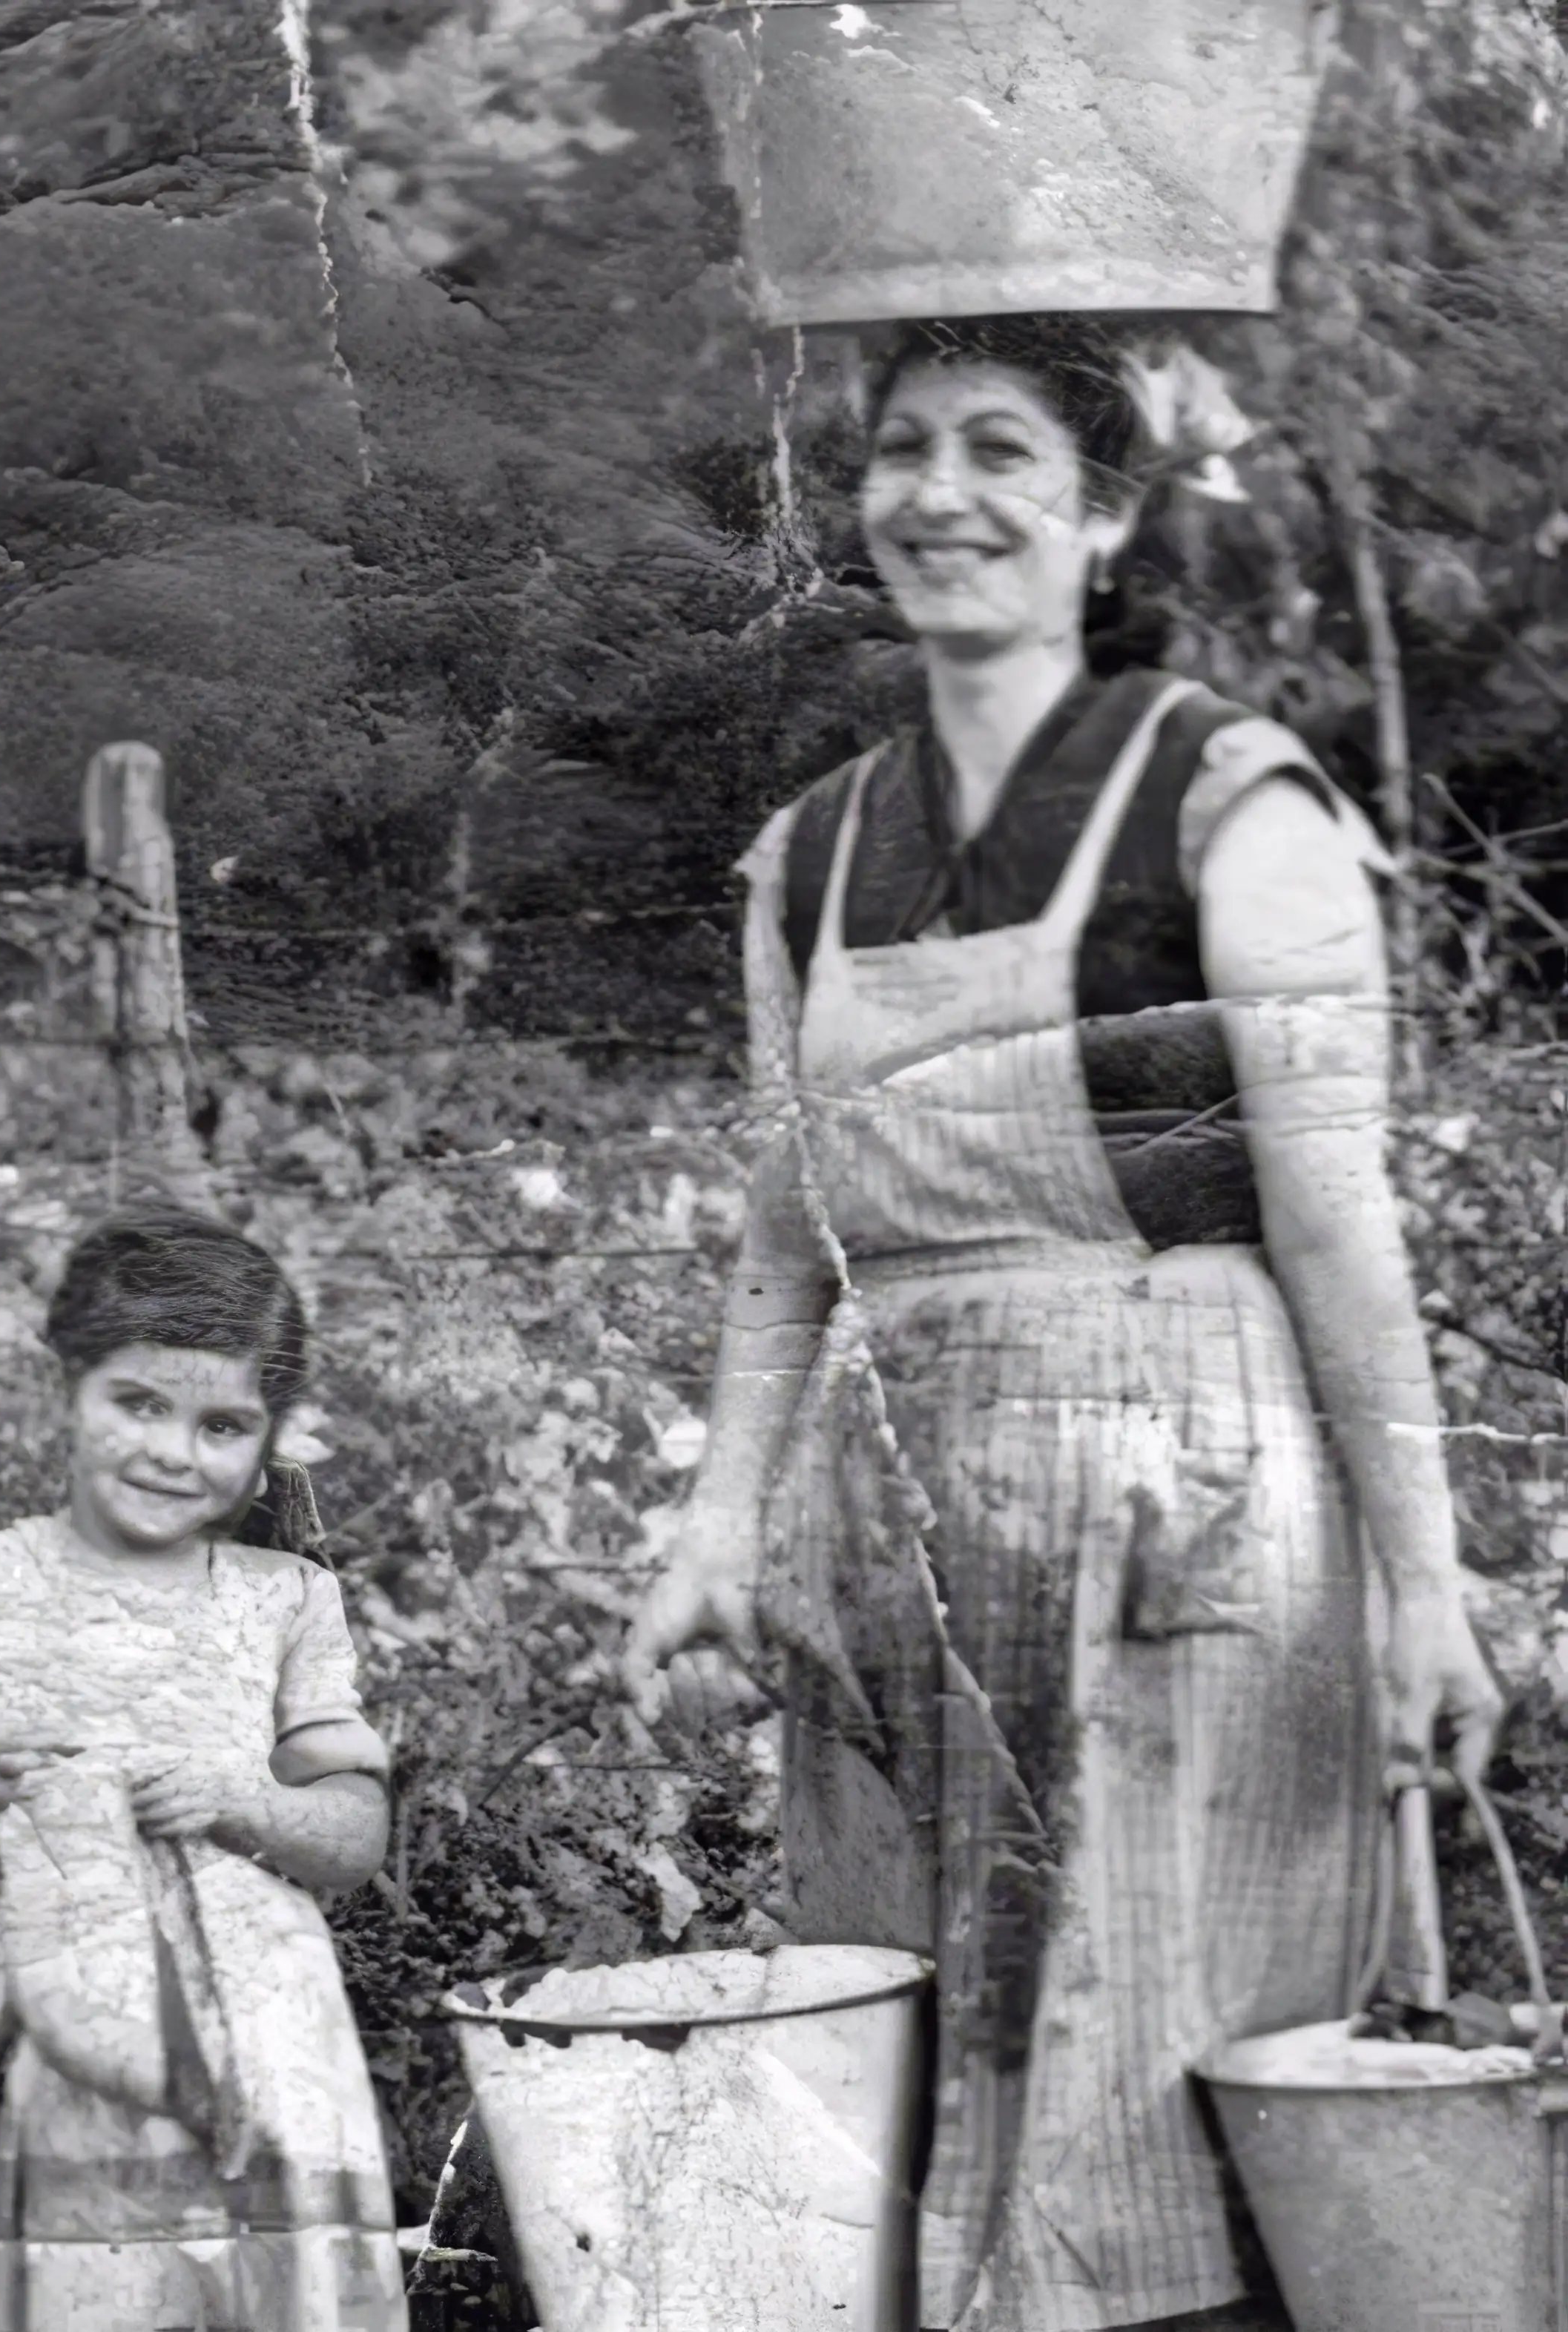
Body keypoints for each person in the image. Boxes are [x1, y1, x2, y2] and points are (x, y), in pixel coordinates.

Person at [623, 317, 1504, 2332]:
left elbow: (1340, 1222)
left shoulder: (1229, 804)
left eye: (1003, 450)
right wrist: (718, 1523)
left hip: (1186, 1508)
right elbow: (786, 1230)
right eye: (905, 449)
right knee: (919, 2062)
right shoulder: (814, 855)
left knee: (1158, 2066)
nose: (941, 495)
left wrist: (1426, 1588)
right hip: (905, 1519)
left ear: (1102, 512)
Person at [0, 1204, 405, 2332]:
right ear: (63, 1392)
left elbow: (353, 1838)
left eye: (222, 1424)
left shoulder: (288, 1599)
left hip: (273, 2063)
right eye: (137, 1403)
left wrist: (245, 1802)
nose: (175, 1453)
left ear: (267, 1437)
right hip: (57, 2070)